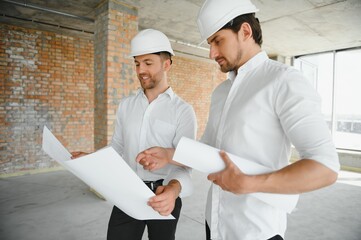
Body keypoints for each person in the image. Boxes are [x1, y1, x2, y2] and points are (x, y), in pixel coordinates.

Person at [136, 1, 340, 239]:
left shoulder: (284, 82)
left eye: (217, 41)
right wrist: (169, 154)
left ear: (245, 31)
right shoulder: (221, 92)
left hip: (256, 231)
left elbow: (325, 168)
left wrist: (251, 183)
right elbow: (208, 150)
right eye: (210, 43)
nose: (212, 53)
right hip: (215, 224)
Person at [71, 28, 197, 240]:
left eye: (148, 63)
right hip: (127, 191)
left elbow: (186, 163)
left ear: (166, 64)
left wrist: (173, 191)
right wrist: (91, 159)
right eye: (137, 63)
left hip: (164, 194)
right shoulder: (126, 105)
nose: (140, 70)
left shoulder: (183, 111)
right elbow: (117, 147)